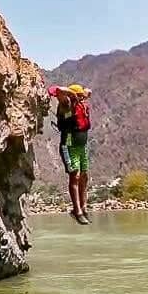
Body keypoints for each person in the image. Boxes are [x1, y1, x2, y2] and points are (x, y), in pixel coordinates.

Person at [48, 84, 92, 225]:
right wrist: (72, 94)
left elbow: (89, 91)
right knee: (75, 175)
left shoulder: (82, 104)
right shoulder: (66, 105)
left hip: (82, 145)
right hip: (69, 144)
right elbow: (56, 90)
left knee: (84, 176)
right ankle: (76, 210)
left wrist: (82, 94)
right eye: (77, 96)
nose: (80, 99)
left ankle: (84, 208)